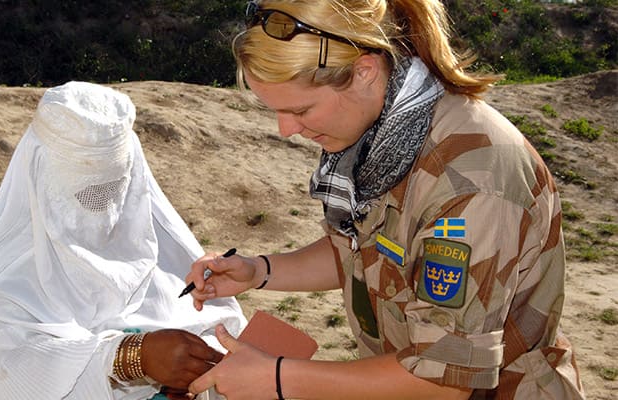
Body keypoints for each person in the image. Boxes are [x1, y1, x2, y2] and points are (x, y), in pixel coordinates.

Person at [185, 1, 585, 399]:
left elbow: (444, 380)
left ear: (364, 72)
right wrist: (259, 271)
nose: (286, 129)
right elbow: (366, 252)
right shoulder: (384, 142)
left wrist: (277, 378)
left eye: (300, 109)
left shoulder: (469, 179)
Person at [0, 81, 246, 400]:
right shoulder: (2, 283)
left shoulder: (163, 252)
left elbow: (223, 334)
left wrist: (192, 377)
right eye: (84, 192)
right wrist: (129, 357)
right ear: (39, 172)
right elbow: (12, 374)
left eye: (115, 187)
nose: (102, 207)